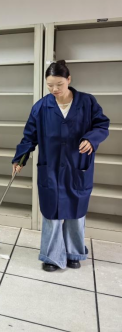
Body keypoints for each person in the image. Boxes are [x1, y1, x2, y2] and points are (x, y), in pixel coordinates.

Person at [12, 60, 109, 272]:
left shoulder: (87, 102)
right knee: (52, 214)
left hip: (77, 167)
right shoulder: (41, 107)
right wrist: (20, 159)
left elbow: (102, 125)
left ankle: (74, 252)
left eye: (59, 84)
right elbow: (29, 137)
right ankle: (52, 256)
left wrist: (91, 139)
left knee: (76, 213)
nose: (54, 89)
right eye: (50, 85)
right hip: (51, 167)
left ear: (69, 80)